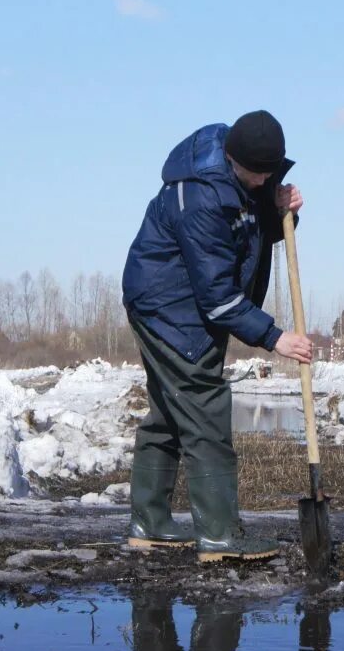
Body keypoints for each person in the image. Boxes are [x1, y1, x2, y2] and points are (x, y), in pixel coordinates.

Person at [122, 110, 312, 563]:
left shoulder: (240, 177)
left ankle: (149, 523)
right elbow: (217, 297)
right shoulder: (201, 199)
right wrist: (274, 338)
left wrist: (280, 209)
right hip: (169, 308)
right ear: (233, 160)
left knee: (170, 409)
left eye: (272, 173)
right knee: (205, 406)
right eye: (259, 175)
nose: (265, 179)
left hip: (180, 302)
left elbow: (252, 233)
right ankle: (220, 536)